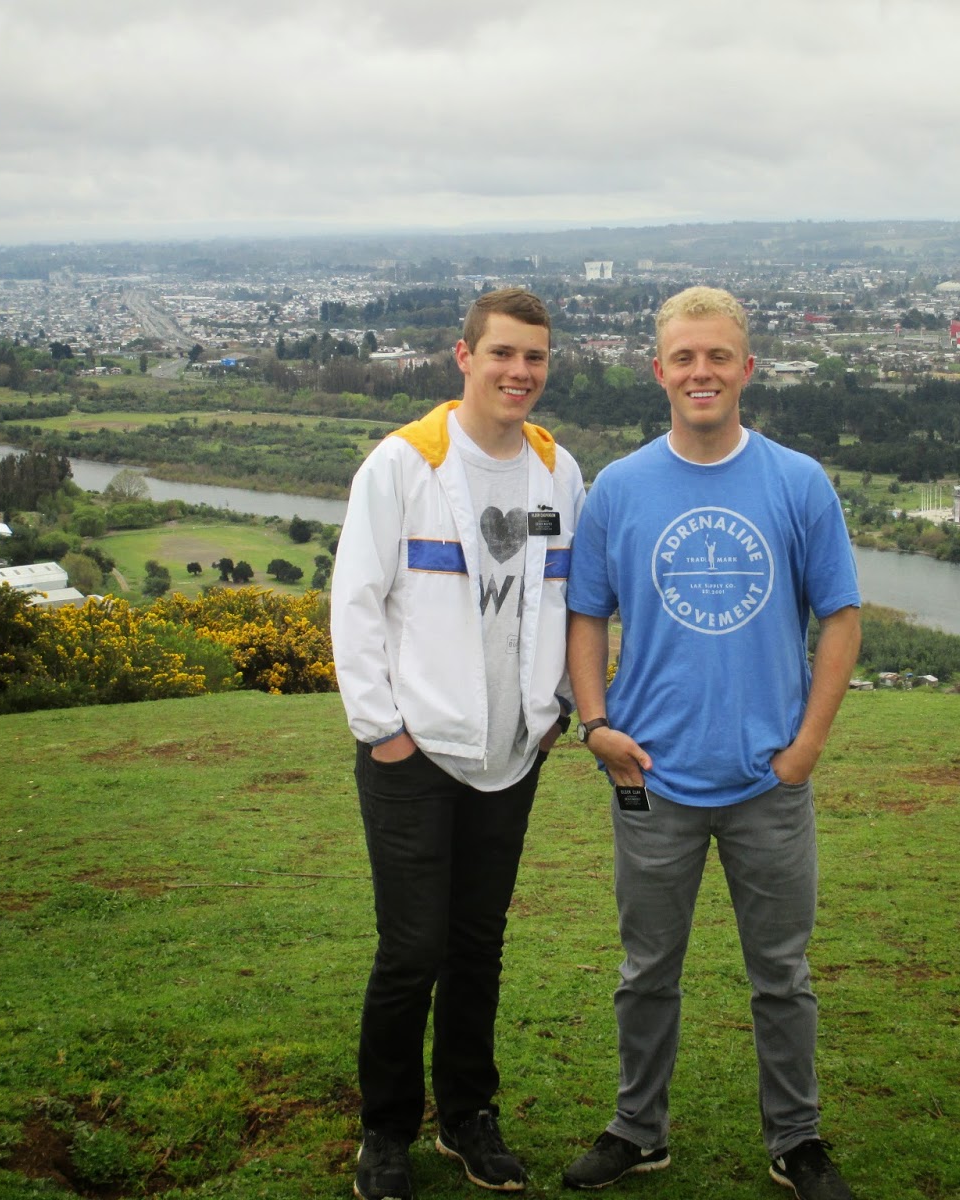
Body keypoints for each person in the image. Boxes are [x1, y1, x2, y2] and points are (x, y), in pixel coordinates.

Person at [561, 287, 862, 1199]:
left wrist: (806, 748)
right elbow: (587, 615)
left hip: (769, 781)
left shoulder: (797, 482)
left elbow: (841, 617)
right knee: (646, 971)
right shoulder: (619, 488)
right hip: (651, 777)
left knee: (782, 976)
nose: (702, 372)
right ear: (658, 371)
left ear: (746, 369)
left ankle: (796, 1139)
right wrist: (596, 725)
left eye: (718, 357)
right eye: (685, 358)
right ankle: (637, 1129)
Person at [331, 286, 586, 1199]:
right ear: (464, 356)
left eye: (535, 357)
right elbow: (355, 603)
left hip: (511, 754)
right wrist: (384, 733)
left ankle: (468, 1116)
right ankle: (386, 1131)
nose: (520, 372)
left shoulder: (559, 471)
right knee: (412, 951)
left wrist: (556, 711)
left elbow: (574, 598)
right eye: (503, 353)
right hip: (416, 752)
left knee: (479, 944)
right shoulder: (404, 464)